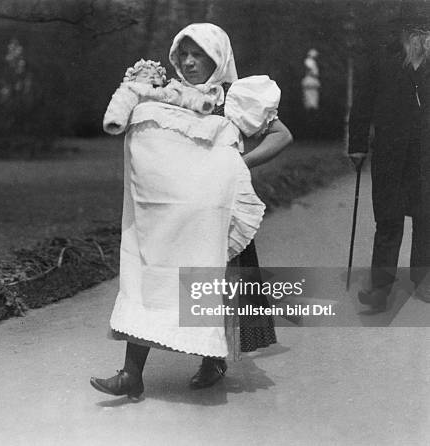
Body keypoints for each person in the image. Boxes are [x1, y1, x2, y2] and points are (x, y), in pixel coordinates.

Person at [90, 23, 292, 400]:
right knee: (154, 274)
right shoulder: (168, 92)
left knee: (215, 284)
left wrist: (237, 165)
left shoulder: (234, 95)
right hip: (171, 211)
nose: (189, 62)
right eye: (183, 54)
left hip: (215, 211)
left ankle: (213, 359)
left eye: (198, 55)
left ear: (217, 57)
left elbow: (282, 136)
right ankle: (131, 373)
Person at [348, 7, 430, 309]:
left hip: (427, 159)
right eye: (416, 31)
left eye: (426, 31)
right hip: (390, 155)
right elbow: (362, 103)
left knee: (427, 220)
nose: (422, 38)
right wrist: (356, 145)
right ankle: (380, 290)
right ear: (404, 33)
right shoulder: (382, 60)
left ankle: (423, 283)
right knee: (389, 221)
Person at [103, 58, 221, 135]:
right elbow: (120, 103)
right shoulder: (132, 89)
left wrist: (203, 103)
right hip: (145, 131)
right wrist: (115, 120)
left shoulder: (171, 89)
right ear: (133, 79)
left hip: (173, 129)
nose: (151, 77)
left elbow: (188, 96)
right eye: (145, 75)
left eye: (155, 75)